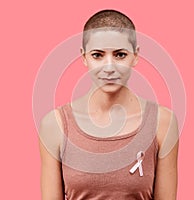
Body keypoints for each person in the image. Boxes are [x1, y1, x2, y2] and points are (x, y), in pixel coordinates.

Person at [38, 9, 179, 200]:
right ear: (84, 57)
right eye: (98, 55)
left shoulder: (162, 122)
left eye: (120, 55)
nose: (109, 67)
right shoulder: (55, 124)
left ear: (135, 56)